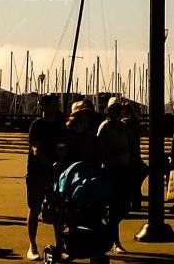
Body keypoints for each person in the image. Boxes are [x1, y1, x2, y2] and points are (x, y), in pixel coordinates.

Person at [27, 94, 66, 261]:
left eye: (56, 104)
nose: (55, 107)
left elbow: (63, 145)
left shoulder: (60, 124)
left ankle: (60, 244)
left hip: (56, 174)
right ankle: (32, 246)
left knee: (58, 210)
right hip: (37, 172)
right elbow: (36, 149)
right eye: (51, 104)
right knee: (35, 208)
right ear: (43, 106)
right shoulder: (37, 125)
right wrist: (50, 164)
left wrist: (61, 158)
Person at [97, 96, 130, 253]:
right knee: (114, 207)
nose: (118, 112)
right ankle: (115, 241)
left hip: (123, 171)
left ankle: (110, 233)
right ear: (109, 112)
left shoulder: (124, 127)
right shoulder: (105, 127)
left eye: (119, 109)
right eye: (114, 110)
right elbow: (98, 150)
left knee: (124, 206)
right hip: (109, 171)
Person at [65, 98, 99, 166]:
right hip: (72, 169)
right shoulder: (67, 134)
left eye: (88, 113)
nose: (88, 115)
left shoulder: (90, 134)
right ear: (76, 116)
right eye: (85, 113)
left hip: (88, 169)